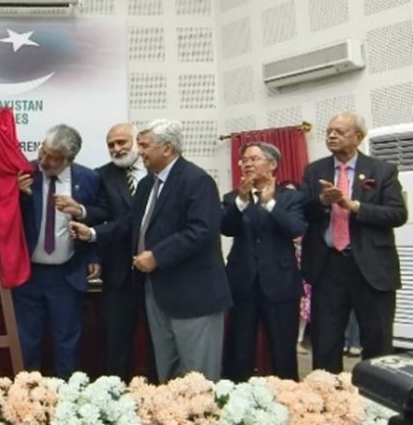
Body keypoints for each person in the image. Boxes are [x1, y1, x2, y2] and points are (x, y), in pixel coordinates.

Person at [300, 111, 407, 372]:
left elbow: (398, 214)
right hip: (328, 267)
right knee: (325, 341)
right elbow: (302, 210)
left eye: (339, 131)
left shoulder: (382, 171)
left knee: (376, 340)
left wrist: (354, 205)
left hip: (371, 267)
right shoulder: (315, 171)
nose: (332, 136)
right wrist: (322, 202)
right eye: (328, 132)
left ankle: (375, 400)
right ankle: (328, 401)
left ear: (358, 137)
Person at [131, 119, 231, 382]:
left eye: (145, 146)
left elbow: (202, 230)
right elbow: (131, 227)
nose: (139, 152)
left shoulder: (197, 180)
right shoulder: (146, 186)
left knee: (199, 376)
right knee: (168, 374)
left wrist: (157, 256)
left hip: (194, 295)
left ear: (167, 148)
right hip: (157, 291)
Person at [13, 124, 101, 378]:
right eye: (43, 151)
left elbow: (99, 217)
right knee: (27, 340)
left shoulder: (88, 179)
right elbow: (5, 219)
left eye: (53, 157)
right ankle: (26, 397)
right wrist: (16, 195)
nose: (43, 160)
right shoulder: (24, 173)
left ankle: (65, 397)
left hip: (67, 274)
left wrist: (94, 254)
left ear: (69, 159)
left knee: (67, 340)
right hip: (28, 275)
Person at [220, 142, 306, 381]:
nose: (247, 164)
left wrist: (270, 204)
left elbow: (296, 229)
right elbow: (226, 228)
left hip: (280, 285)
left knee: (283, 352)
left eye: (254, 159)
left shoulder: (291, 197)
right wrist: (242, 201)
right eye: (244, 160)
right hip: (242, 284)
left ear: (272, 164)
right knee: (239, 351)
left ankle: (289, 401)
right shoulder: (233, 198)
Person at [69, 123, 148, 380]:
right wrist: (81, 211)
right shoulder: (100, 176)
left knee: (159, 342)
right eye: (111, 144)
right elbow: (97, 214)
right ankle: (116, 397)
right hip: (118, 272)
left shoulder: (159, 172)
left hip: (160, 272)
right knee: (117, 344)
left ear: (137, 141)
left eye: (122, 142)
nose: (117, 148)